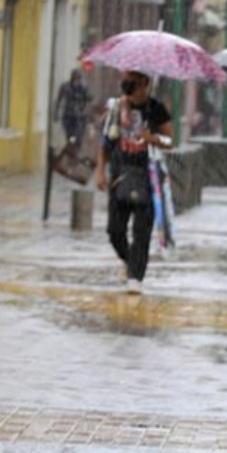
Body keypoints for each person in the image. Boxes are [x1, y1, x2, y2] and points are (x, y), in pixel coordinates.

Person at [93, 71, 173, 295]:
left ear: (144, 84)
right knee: (114, 230)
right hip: (120, 175)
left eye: (132, 82)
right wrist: (100, 171)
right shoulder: (117, 109)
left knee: (141, 231)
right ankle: (129, 261)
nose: (127, 86)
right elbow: (105, 143)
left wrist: (152, 138)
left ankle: (136, 277)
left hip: (147, 177)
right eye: (125, 81)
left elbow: (170, 140)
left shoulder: (156, 109)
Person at [55, 69, 92, 146]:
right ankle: (71, 144)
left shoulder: (83, 88)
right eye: (75, 78)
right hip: (68, 115)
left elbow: (89, 99)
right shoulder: (66, 87)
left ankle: (75, 145)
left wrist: (87, 112)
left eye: (78, 78)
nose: (76, 81)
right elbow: (59, 99)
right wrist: (56, 112)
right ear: (72, 78)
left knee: (78, 137)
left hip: (80, 116)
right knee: (70, 135)